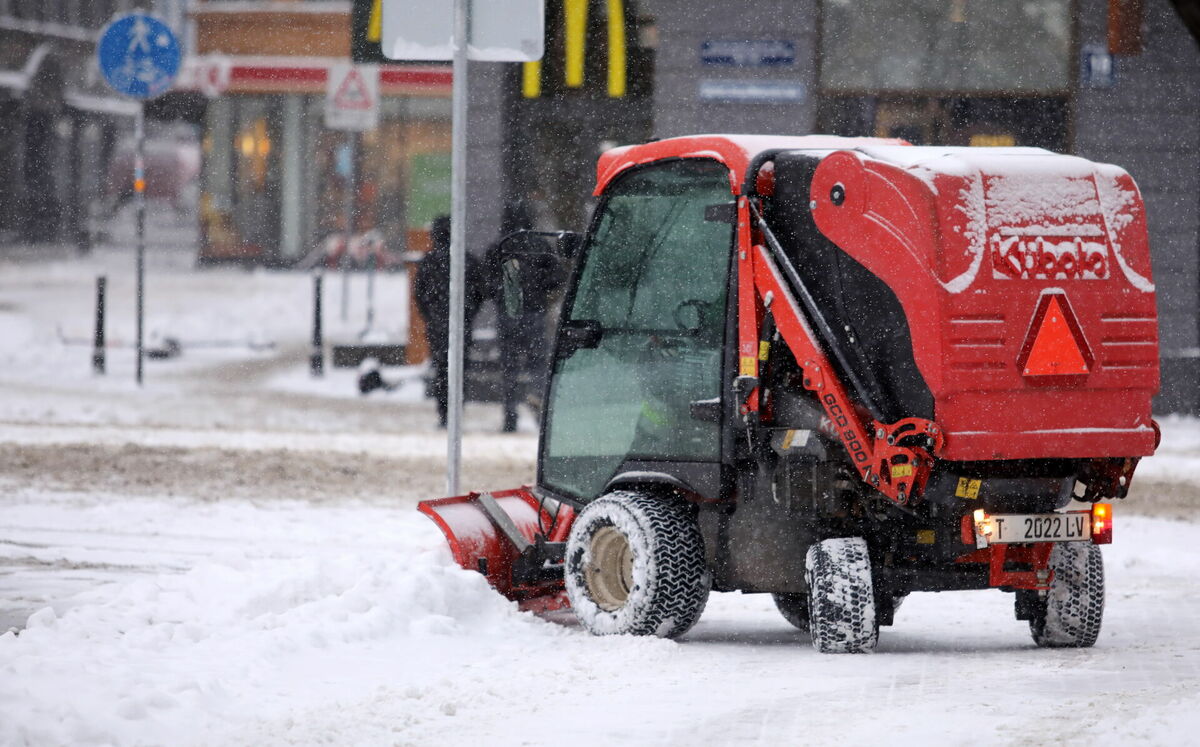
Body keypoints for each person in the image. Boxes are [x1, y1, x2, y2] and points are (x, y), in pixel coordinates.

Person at [485, 202, 560, 432]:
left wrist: (502, 296)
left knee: (509, 368)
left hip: (508, 315)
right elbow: (557, 277)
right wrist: (538, 289)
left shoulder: (498, 247)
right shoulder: (539, 244)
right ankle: (539, 408)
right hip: (535, 313)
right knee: (538, 364)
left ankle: (510, 416)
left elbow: (486, 284)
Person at [414, 215, 484, 428]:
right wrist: (468, 314)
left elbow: (419, 294)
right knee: (459, 370)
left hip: (438, 325)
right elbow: (480, 292)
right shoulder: (467, 259)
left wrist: (431, 316)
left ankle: (444, 412)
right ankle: (456, 411)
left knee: (442, 369)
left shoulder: (429, 261)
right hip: (460, 325)